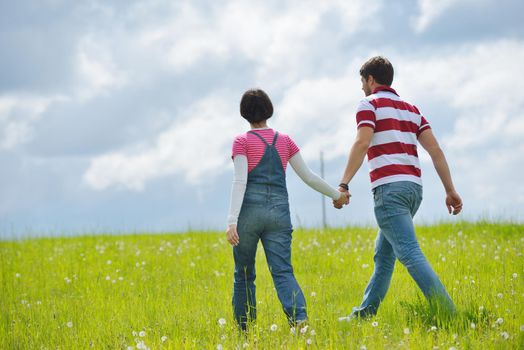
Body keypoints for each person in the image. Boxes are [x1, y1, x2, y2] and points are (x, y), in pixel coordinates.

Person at [335, 56, 463, 320]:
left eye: (362, 82)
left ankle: (449, 314)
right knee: (383, 257)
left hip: (389, 191)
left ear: (370, 80)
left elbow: (362, 143)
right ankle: (364, 314)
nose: (361, 88)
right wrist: (450, 189)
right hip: (413, 190)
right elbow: (435, 150)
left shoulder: (368, 104)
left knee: (409, 252)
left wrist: (344, 183)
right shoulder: (411, 109)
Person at [226, 88, 349, 330]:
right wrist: (338, 195)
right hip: (279, 215)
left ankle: (245, 330)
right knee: (283, 271)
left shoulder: (242, 142)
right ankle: (300, 321)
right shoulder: (284, 141)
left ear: (244, 114)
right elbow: (309, 177)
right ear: (269, 109)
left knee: (243, 274)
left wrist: (232, 221)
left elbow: (240, 182)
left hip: (248, 215)